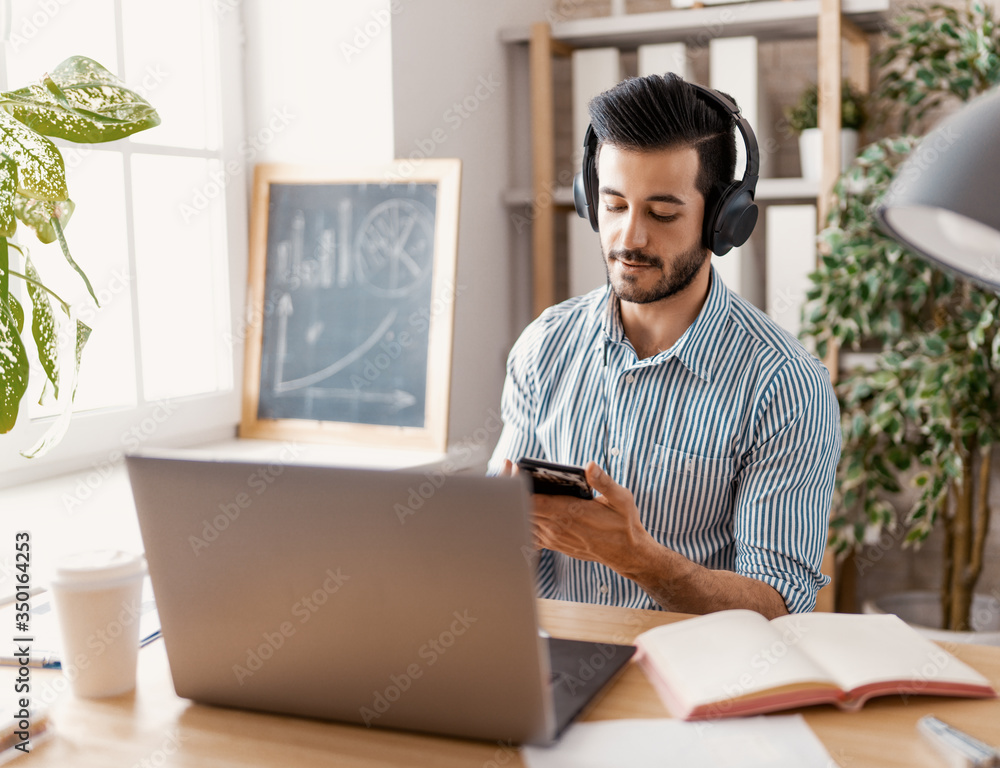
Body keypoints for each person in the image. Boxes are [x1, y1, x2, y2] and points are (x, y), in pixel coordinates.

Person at [488, 73, 841, 617]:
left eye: (662, 213)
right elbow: (509, 562)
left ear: (725, 220)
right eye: (613, 205)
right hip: (553, 672)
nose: (629, 237)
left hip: (699, 684)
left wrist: (641, 560)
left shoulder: (786, 386)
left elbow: (778, 604)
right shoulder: (544, 347)